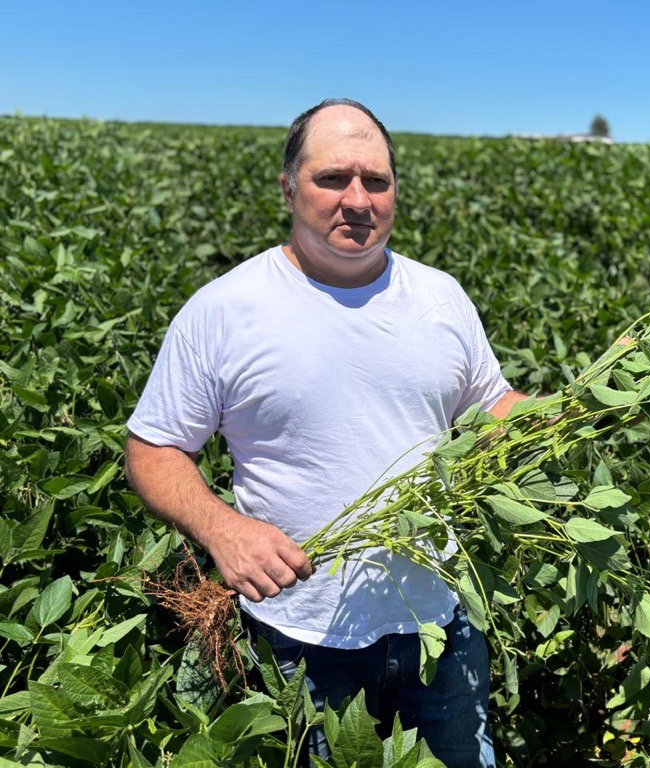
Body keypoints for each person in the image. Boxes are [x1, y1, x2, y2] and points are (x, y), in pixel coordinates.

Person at [125, 98, 525, 767]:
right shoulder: (226, 310)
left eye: (376, 180)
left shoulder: (441, 298)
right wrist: (224, 529)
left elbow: (489, 408)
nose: (357, 199)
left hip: (440, 620)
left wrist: (572, 412)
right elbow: (153, 449)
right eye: (332, 178)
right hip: (303, 636)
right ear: (288, 188)